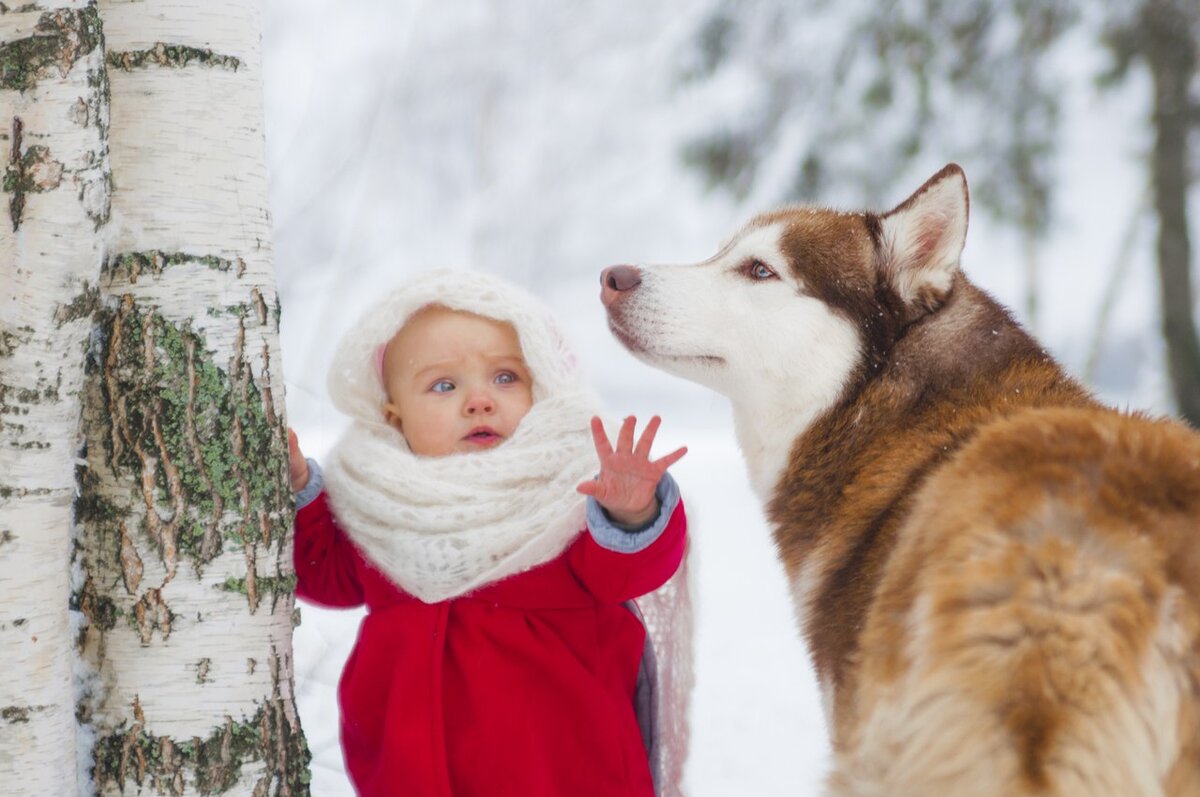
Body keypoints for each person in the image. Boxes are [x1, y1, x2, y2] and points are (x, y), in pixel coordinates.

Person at [288, 269, 691, 797]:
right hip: (411, 769)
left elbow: (623, 576)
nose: (479, 400)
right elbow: (328, 574)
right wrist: (299, 493)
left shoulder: (567, 485)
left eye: (504, 377)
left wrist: (630, 514)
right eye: (443, 385)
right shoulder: (380, 503)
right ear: (395, 416)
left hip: (564, 770)